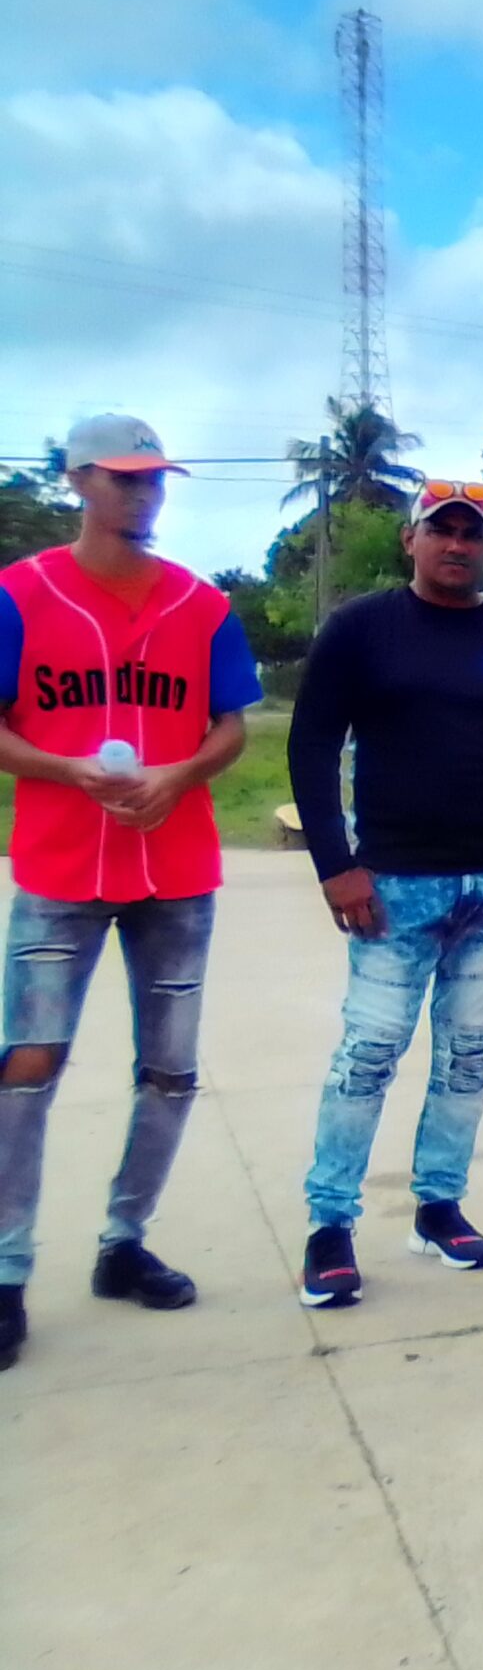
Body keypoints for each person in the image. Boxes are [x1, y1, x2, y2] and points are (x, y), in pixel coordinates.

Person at [285, 480, 483, 1309]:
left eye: (472, 535)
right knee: (369, 1055)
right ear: (411, 540)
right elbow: (313, 745)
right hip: (392, 887)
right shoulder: (361, 630)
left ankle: (439, 1204)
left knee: (465, 1059)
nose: (457, 546)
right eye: (441, 531)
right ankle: (330, 1226)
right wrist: (334, 863)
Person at [0, 415, 258, 1371]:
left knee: (171, 1073)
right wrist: (69, 768)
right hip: (61, 868)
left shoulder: (200, 603)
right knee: (26, 1069)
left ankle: (124, 1242)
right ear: (78, 482)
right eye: (124, 478)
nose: (144, 494)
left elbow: (230, 725)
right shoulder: (20, 595)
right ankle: (6, 1269)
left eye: (154, 479)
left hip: (175, 870)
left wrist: (180, 775)